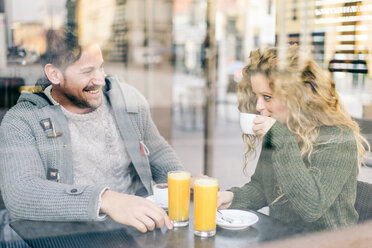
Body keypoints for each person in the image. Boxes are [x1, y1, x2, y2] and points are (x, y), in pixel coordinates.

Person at [0, 29, 184, 233]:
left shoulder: (128, 100)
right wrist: (105, 200)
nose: (100, 80)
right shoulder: (22, 120)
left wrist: (186, 182)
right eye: (87, 72)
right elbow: (20, 194)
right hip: (66, 236)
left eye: (101, 68)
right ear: (54, 74)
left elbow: (158, 153)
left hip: (135, 231)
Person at [217, 47, 369, 231]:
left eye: (267, 97)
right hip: (284, 237)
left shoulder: (338, 138)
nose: (258, 106)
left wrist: (281, 138)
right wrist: (231, 197)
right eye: (257, 96)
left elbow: (312, 207)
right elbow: (263, 188)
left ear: (297, 97)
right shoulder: (280, 130)